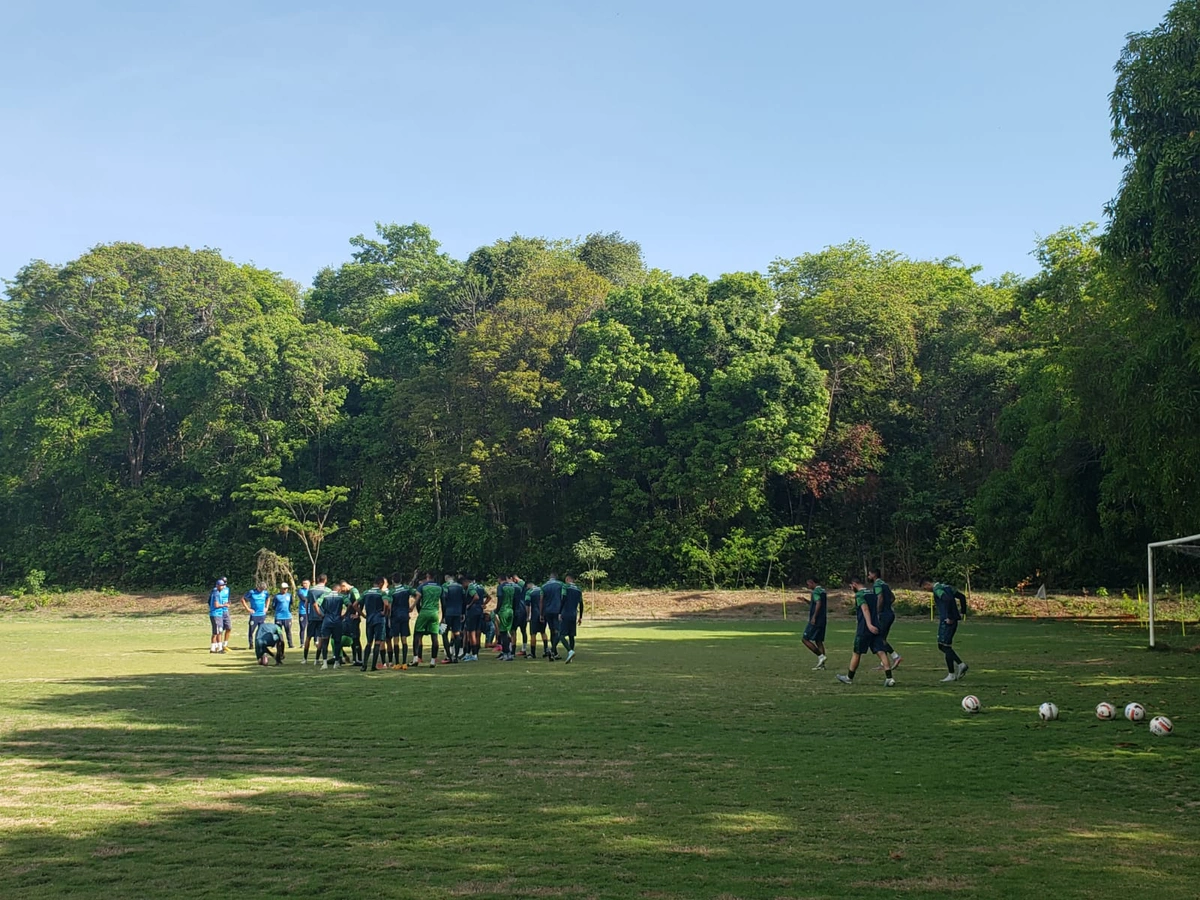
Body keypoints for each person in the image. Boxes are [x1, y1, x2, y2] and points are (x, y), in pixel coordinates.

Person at [836, 576, 896, 687]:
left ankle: (849, 677)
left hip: (865, 628)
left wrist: (869, 624)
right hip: (877, 626)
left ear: (854, 584)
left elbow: (865, 608)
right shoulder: (872, 593)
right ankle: (889, 678)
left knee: (857, 652)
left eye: (850, 586)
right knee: (881, 652)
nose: (851, 588)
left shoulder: (860, 595)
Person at [921, 578, 970, 682]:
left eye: (925, 588)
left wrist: (951, 617)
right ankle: (960, 665)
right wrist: (963, 611)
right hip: (949, 620)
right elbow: (961, 596)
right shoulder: (947, 587)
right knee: (942, 646)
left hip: (947, 621)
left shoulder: (937, 589)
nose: (927, 590)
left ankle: (952, 673)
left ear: (927, 583)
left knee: (945, 646)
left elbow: (947, 599)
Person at [868, 568, 902, 670]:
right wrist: (888, 606)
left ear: (874, 574)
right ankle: (884, 663)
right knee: (882, 638)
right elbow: (892, 598)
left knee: (879, 639)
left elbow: (880, 597)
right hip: (890, 614)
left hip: (883, 615)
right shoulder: (885, 584)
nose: (868, 577)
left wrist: (878, 612)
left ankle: (895, 656)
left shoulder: (877, 584)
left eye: (869, 574)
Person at [412, 572, 443, 668]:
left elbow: (418, 599)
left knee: (417, 635)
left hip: (424, 612)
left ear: (427, 576)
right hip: (434, 613)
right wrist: (443, 616)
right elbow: (443, 602)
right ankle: (433, 660)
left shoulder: (422, 586)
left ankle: (416, 658)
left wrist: (418, 610)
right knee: (434, 637)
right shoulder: (439, 587)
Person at [360, 576, 391, 672]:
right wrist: (385, 612)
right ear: (381, 584)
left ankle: (364, 665)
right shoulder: (382, 593)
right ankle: (373, 666)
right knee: (378, 642)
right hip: (379, 620)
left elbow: (355, 604)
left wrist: (362, 614)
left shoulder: (366, 592)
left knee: (369, 642)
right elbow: (386, 604)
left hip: (369, 619)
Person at [315, 582, 347, 669]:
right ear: (339, 590)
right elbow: (350, 605)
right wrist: (344, 615)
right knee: (337, 642)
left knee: (325, 642)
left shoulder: (325, 595)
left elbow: (315, 604)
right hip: (337, 621)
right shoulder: (341, 596)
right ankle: (336, 662)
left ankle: (324, 663)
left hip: (327, 621)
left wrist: (320, 615)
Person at [303, 575, 330, 664]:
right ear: (325, 580)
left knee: (308, 637)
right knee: (321, 637)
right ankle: (317, 659)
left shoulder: (311, 590)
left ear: (318, 580)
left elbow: (306, 603)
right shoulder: (328, 590)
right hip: (322, 616)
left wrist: (307, 615)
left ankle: (305, 659)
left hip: (312, 617)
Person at [389, 573, 414, 668]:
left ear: (392, 580)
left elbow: (389, 605)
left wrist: (388, 614)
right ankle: (404, 663)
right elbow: (418, 594)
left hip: (395, 616)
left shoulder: (392, 591)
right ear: (401, 579)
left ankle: (397, 663)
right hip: (404, 615)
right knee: (404, 639)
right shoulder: (406, 588)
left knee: (396, 639)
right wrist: (412, 606)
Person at [801, 577, 827, 669]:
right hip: (823, 619)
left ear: (812, 582)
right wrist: (806, 601)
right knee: (818, 641)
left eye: (808, 584)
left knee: (805, 639)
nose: (807, 586)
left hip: (816, 620)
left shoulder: (815, 591)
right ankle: (822, 666)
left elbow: (818, 603)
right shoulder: (822, 591)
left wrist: (814, 617)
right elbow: (816, 603)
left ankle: (821, 656)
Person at [441, 573, 467, 663]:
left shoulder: (445, 586)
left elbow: (443, 600)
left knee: (443, 632)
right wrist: (463, 613)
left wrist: (443, 615)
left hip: (448, 613)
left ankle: (448, 656)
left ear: (446, 578)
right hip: (458, 613)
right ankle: (456, 656)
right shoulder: (460, 587)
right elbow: (464, 600)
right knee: (457, 634)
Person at [558, 575, 584, 663]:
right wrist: (580, 617)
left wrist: (559, 612)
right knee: (571, 635)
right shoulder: (578, 589)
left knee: (561, 635)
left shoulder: (565, 587)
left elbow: (563, 599)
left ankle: (570, 651)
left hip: (566, 613)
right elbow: (581, 604)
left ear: (568, 579)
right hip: (574, 614)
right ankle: (571, 657)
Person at [540, 573, 565, 661]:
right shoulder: (561, 585)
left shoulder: (544, 586)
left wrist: (541, 614)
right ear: (556, 577)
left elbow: (541, 600)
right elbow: (563, 597)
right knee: (558, 631)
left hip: (548, 611)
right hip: (558, 611)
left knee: (552, 631)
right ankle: (552, 649)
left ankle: (554, 652)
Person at [463, 576, 488, 661]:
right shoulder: (480, 586)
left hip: (472, 612)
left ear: (467, 581)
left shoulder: (471, 587)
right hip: (479, 612)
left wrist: (469, 605)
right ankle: (475, 654)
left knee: (471, 633)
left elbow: (476, 597)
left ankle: (473, 654)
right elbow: (489, 597)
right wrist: (484, 604)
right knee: (478, 633)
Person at [339, 580, 363, 665]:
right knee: (351, 638)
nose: (342, 591)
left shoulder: (354, 591)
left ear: (344, 585)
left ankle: (359, 659)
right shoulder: (348, 593)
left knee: (356, 638)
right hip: (348, 619)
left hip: (353, 619)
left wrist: (358, 614)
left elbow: (359, 601)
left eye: (342, 589)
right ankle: (354, 659)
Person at [242, 582, 270, 650]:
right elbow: (243, 599)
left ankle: (261, 643)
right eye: (261, 589)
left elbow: (268, 598)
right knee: (251, 630)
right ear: (258, 587)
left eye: (263, 589)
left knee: (262, 631)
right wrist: (248, 609)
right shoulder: (252, 592)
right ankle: (251, 644)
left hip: (262, 615)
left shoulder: (265, 593)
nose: (262, 590)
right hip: (254, 615)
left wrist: (267, 607)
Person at [494, 576, 516, 661]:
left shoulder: (501, 587)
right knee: (509, 632)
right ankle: (509, 652)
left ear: (499, 579)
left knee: (503, 633)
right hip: (510, 610)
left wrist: (497, 610)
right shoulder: (511, 587)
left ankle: (506, 654)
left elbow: (500, 599)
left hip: (504, 611)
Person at [208, 577, 231, 653]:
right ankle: (219, 648)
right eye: (221, 585)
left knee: (217, 632)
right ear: (217, 585)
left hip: (217, 614)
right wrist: (224, 605)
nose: (222, 587)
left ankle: (213, 648)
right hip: (216, 614)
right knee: (218, 632)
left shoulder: (217, 592)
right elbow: (216, 605)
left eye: (223, 585)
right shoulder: (216, 593)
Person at [271, 582, 294, 648]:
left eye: (286, 588)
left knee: (288, 631)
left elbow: (291, 604)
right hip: (279, 617)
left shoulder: (289, 595)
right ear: (281, 589)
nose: (285, 590)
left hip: (287, 616)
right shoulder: (277, 596)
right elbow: (273, 606)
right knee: (279, 631)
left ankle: (290, 644)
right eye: (284, 588)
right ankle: (280, 643)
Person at [525, 580, 544, 658]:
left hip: (534, 615)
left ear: (528, 585)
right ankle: (546, 650)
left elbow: (527, 605)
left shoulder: (529, 592)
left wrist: (527, 616)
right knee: (543, 632)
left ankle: (533, 653)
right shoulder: (541, 589)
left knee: (533, 633)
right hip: (542, 613)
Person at [511, 574, 529, 657]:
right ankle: (524, 649)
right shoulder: (523, 584)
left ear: (514, 579)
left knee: (513, 630)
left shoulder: (518, 585)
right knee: (523, 630)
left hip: (518, 608)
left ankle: (512, 650)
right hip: (524, 609)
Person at [297, 578, 311, 646]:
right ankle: (302, 643)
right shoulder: (300, 590)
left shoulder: (311, 591)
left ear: (309, 584)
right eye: (303, 583)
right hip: (302, 612)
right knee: (302, 627)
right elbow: (303, 598)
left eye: (306, 583)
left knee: (311, 627)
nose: (304, 585)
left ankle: (315, 641)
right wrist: (309, 599)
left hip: (310, 612)